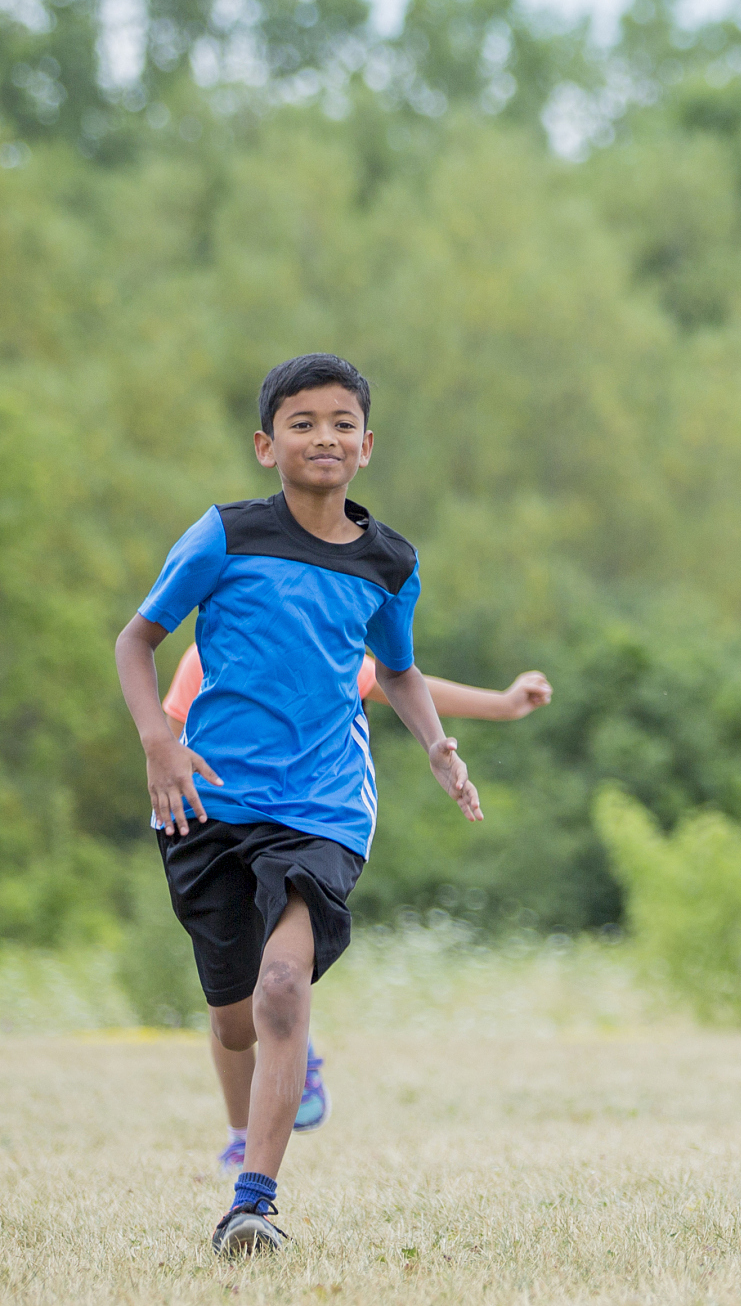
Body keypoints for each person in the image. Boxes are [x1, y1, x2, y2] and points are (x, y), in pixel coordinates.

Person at [114, 354, 483, 1255]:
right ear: (264, 443)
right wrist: (159, 740)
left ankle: (253, 1202)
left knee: (284, 988)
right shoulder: (224, 536)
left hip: (322, 804)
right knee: (238, 1014)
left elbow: (394, 666)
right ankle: (264, 1092)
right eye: (303, 421)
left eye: (342, 422)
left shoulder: (389, 560)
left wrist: (435, 741)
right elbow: (138, 637)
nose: (324, 436)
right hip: (210, 804)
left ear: (367, 446)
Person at [160, 643, 550, 1180]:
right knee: (230, 1010)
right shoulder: (207, 654)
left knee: (277, 982)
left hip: (303, 820)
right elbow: (169, 735)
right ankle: (249, 1111)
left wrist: (502, 705)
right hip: (219, 826)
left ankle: (249, 1133)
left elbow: (397, 680)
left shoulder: (312, 634)